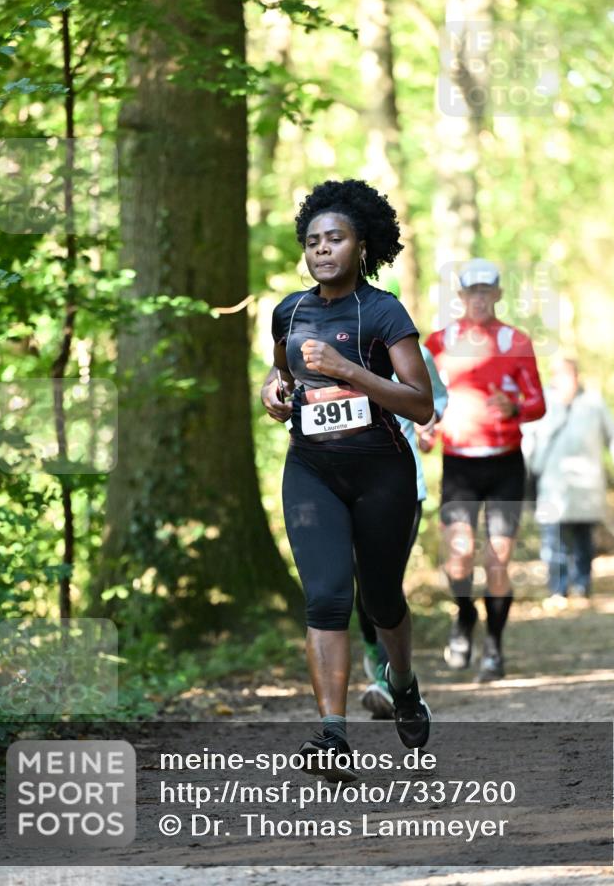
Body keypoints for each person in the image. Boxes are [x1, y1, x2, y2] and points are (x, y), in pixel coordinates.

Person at [261, 179, 434, 780]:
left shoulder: (384, 311)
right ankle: (332, 736)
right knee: (327, 597)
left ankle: (404, 685)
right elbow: (281, 373)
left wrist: (349, 371)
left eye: (335, 238)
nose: (322, 250)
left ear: (361, 245)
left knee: (381, 599)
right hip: (311, 470)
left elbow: (420, 403)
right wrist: (273, 393)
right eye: (313, 241)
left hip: (382, 473)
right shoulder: (290, 310)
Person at [423, 258, 546, 682]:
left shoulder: (516, 340)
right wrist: (425, 430)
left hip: (506, 464)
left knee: (498, 560)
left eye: (485, 291)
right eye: (470, 292)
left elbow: (538, 404)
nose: (478, 299)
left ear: (496, 294)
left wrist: (516, 407)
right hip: (458, 464)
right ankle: (463, 616)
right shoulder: (438, 343)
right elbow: (424, 399)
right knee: (458, 559)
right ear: (460, 297)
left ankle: (493, 648)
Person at [358, 343, 448, 719]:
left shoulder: (410, 349)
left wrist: (428, 424)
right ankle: (374, 652)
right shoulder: (327, 341)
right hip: (342, 489)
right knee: (357, 580)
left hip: (404, 487)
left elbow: (437, 398)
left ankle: (388, 677)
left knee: (384, 582)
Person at [524, 355, 614, 606]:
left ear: (577, 377)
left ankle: (582, 585)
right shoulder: (542, 403)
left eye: (568, 375)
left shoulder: (594, 404)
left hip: (587, 487)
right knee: (553, 542)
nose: (564, 381)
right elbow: (528, 442)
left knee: (584, 540)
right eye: (558, 375)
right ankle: (558, 589)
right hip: (552, 487)